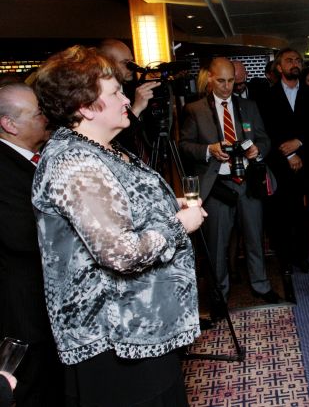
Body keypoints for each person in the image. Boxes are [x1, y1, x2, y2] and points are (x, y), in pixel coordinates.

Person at [31, 45, 206, 406]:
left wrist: (167, 206)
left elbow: (121, 209)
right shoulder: (74, 163)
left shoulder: (102, 148)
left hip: (140, 325)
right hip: (114, 338)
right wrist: (178, 226)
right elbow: (120, 253)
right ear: (85, 106)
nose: (126, 99)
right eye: (114, 93)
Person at [179, 57, 280, 306]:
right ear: (210, 79)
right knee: (217, 246)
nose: (226, 87)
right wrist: (209, 149)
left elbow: (265, 139)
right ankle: (219, 294)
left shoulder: (249, 106)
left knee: (254, 238)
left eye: (231, 81)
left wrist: (258, 149)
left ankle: (261, 284)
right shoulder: (195, 109)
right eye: (221, 81)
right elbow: (184, 146)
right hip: (217, 185)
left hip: (248, 182)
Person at [0, 83, 63, 406]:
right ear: (9, 125)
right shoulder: (3, 168)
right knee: (37, 388)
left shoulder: (36, 157)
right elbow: (23, 235)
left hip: (46, 298)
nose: (46, 117)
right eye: (38, 113)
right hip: (26, 306)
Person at [258, 49, 309, 275]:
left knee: (304, 214)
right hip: (279, 164)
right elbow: (267, 130)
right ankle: (284, 259)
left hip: (306, 162)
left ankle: (302, 257)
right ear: (279, 67)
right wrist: (288, 154)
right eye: (289, 61)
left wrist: (299, 142)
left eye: (297, 60)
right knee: (281, 214)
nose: (294, 64)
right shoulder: (266, 96)